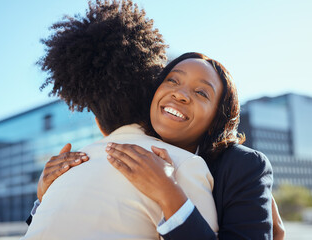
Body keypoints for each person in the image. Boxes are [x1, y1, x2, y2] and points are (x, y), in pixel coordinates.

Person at [34, 52, 287, 240]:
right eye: (172, 81)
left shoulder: (244, 165)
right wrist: (45, 198)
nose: (180, 94)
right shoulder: (128, 150)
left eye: (201, 93)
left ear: (215, 121)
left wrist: (169, 192)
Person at [22, 1, 218, 239]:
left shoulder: (58, 179)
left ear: (98, 124)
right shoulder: (184, 166)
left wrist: (43, 197)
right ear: (151, 100)